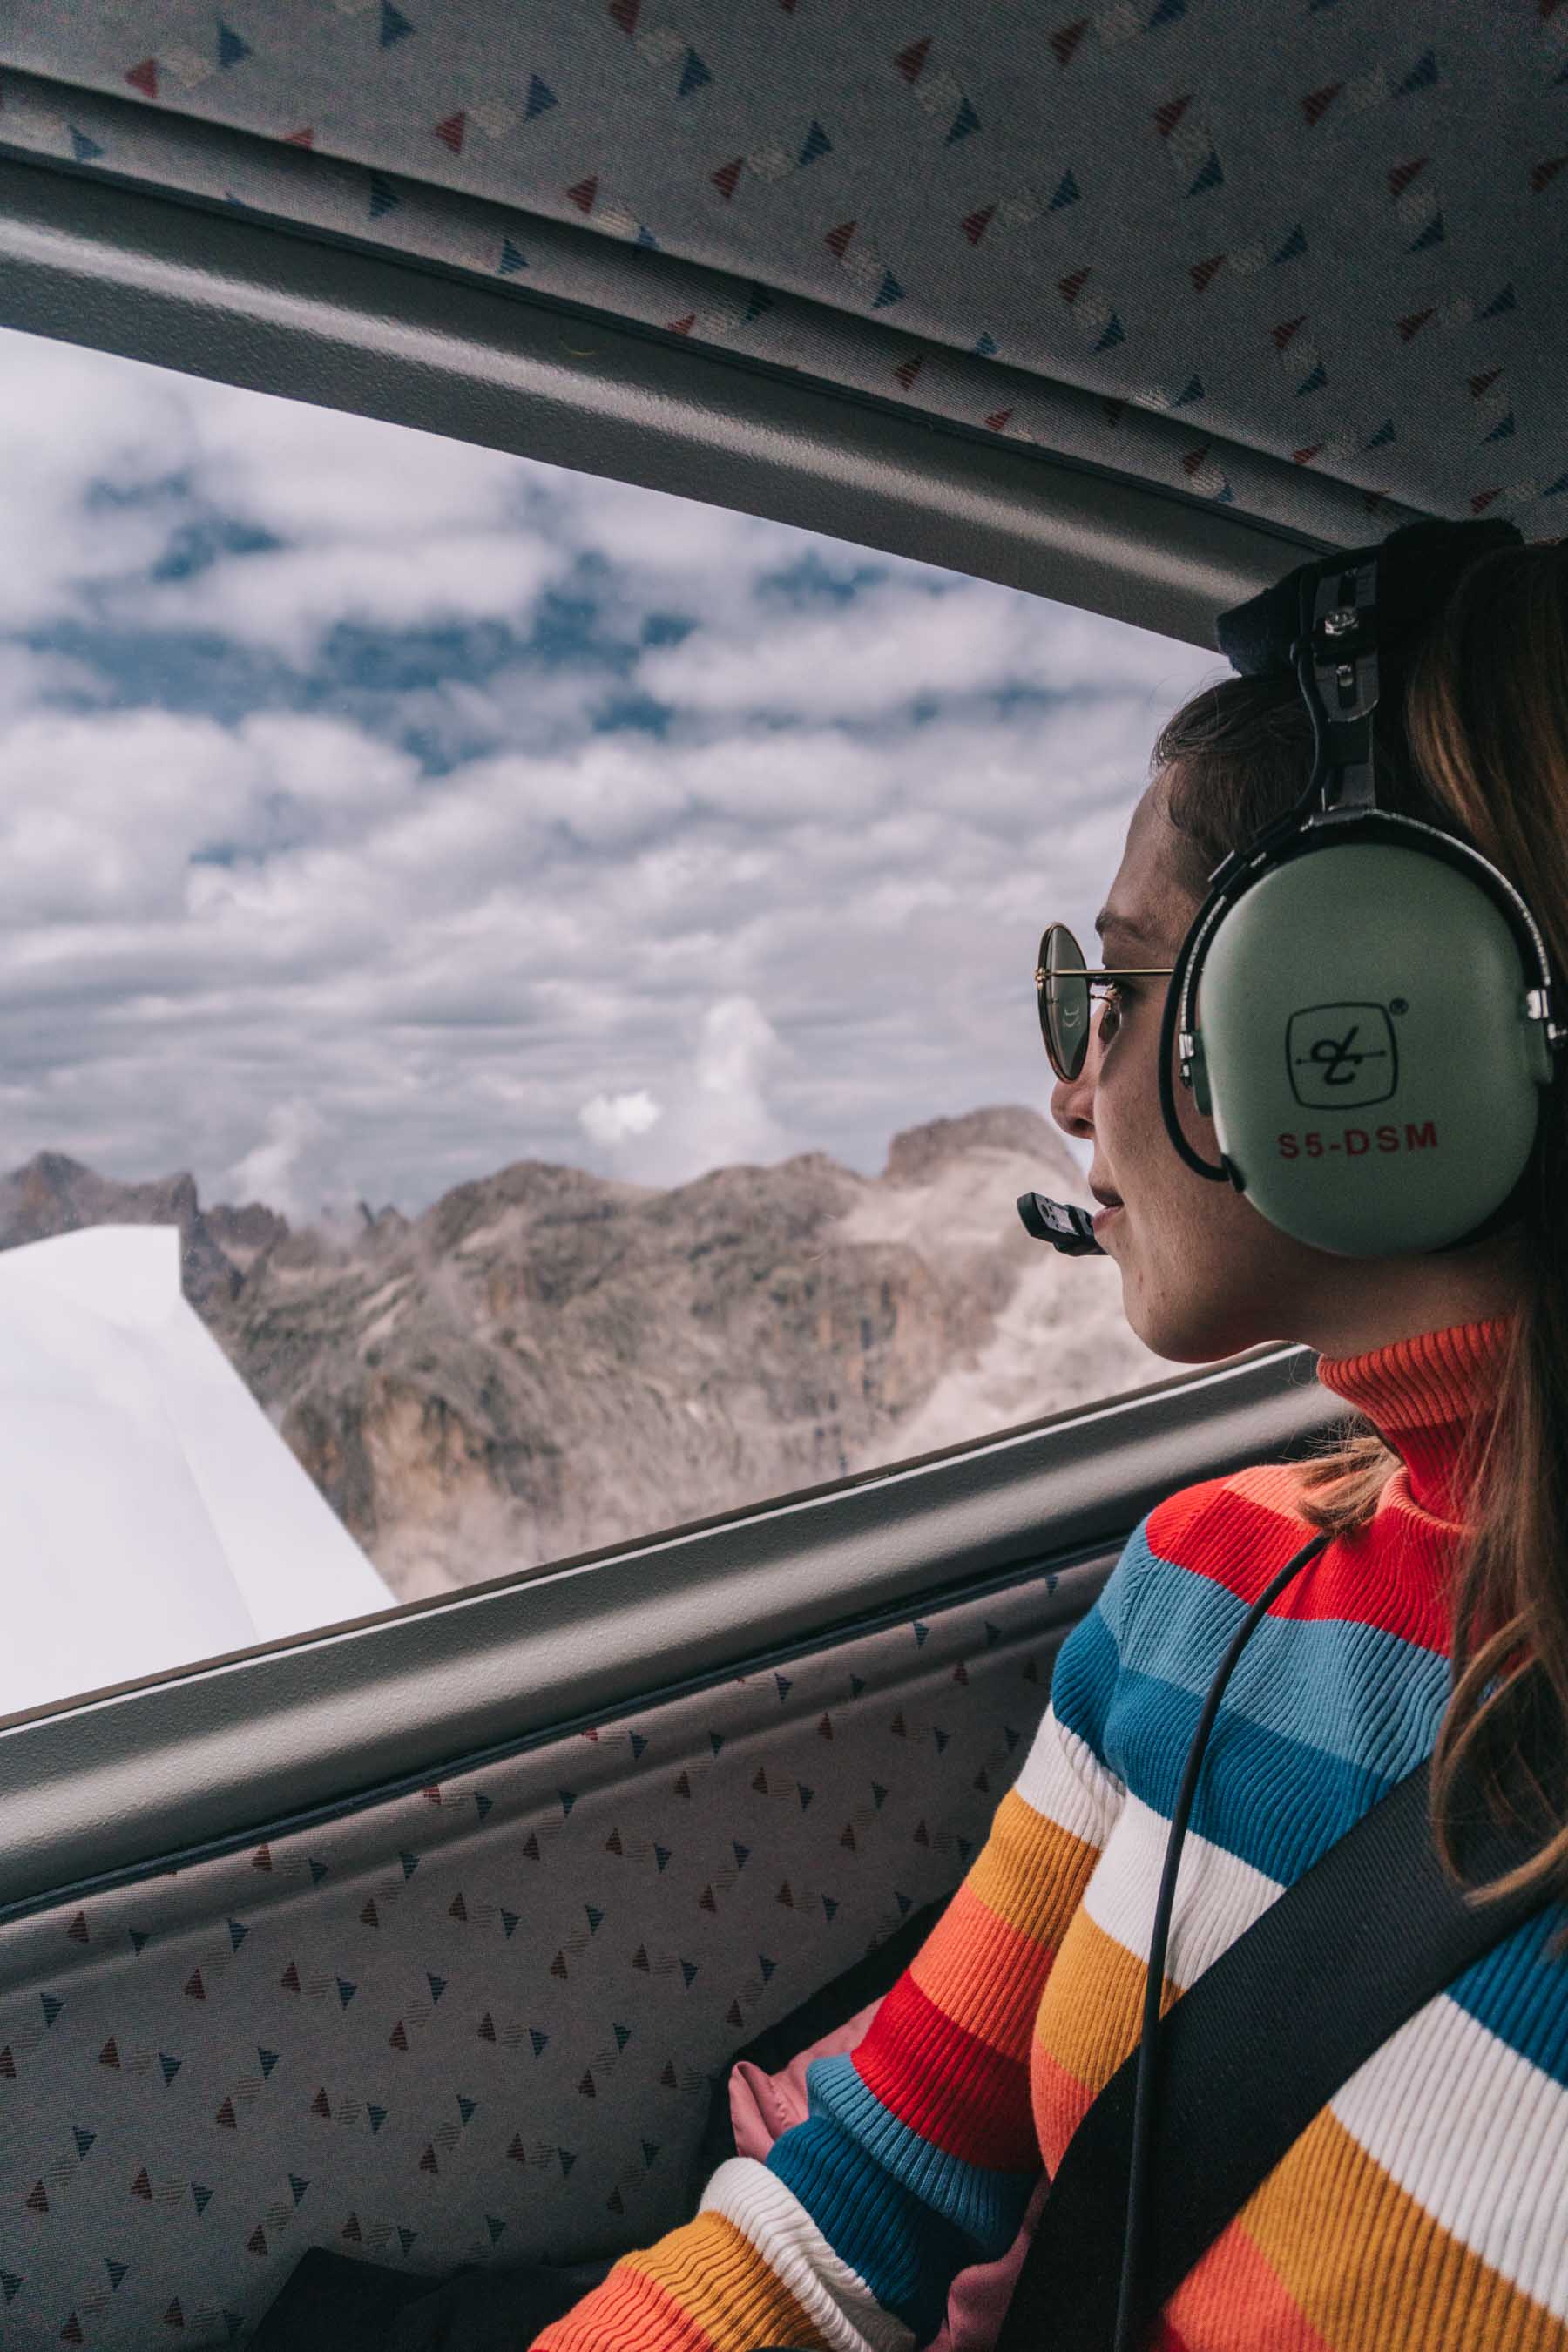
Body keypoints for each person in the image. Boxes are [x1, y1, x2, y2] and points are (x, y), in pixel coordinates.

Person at [530, 525, 1568, 2350]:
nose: (1067, 1083)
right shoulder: (1199, 1582)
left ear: (1388, 1018)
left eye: (1127, 980)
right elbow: (851, 2202)